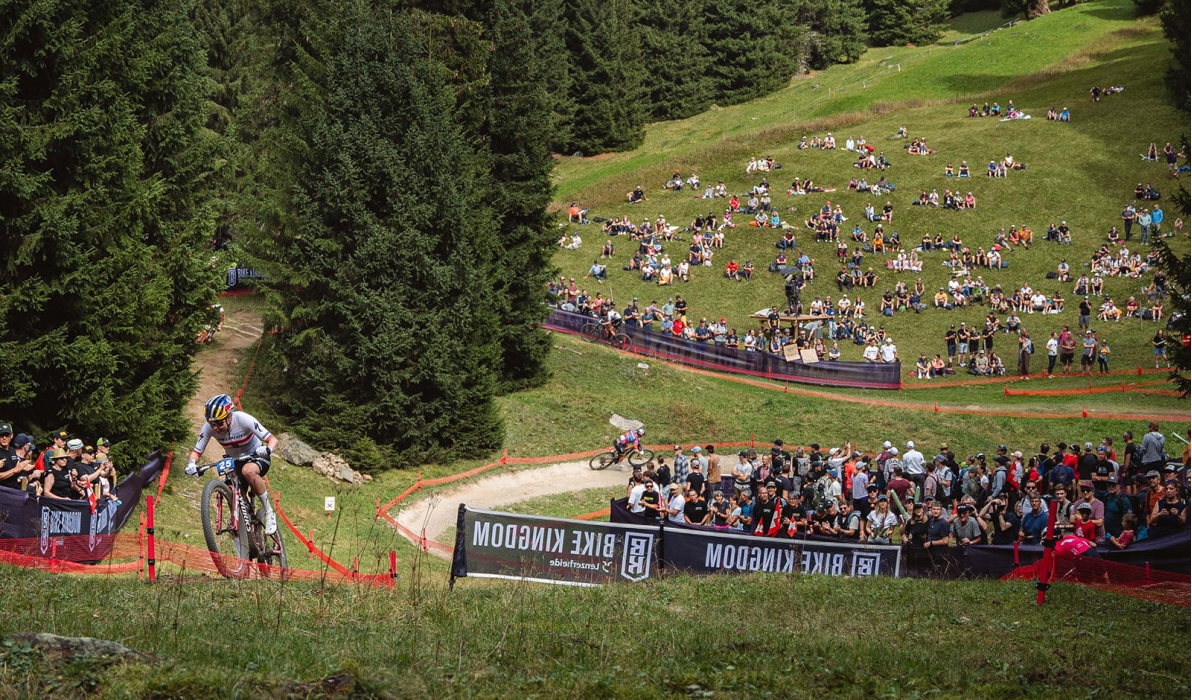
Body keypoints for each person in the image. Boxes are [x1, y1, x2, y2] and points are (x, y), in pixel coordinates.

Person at [185, 393, 280, 534]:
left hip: (255, 456)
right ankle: (241, 529)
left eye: (219, 423)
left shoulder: (243, 419)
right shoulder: (209, 428)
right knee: (231, 487)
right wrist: (191, 463)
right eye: (212, 423)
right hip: (235, 460)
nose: (215, 427)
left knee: (248, 471)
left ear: (229, 416)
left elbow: (273, 440)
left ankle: (269, 512)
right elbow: (197, 452)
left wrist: (267, 449)